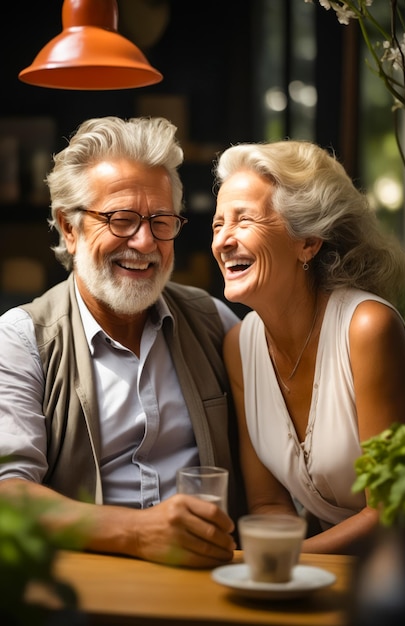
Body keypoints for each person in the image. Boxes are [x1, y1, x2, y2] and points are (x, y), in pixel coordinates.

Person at [0, 115, 247, 568]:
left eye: (161, 220)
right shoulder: (21, 339)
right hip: (85, 591)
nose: (145, 241)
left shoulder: (214, 321)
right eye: (121, 219)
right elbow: (6, 496)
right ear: (69, 228)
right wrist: (139, 532)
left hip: (212, 582)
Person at [211, 138, 405, 555]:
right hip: (323, 573)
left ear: (308, 241)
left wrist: (280, 560)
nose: (223, 241)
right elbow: (269, 504)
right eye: (218, 225)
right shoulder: (239, 346)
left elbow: (394, 510)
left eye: (244, 220)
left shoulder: (367, 328)